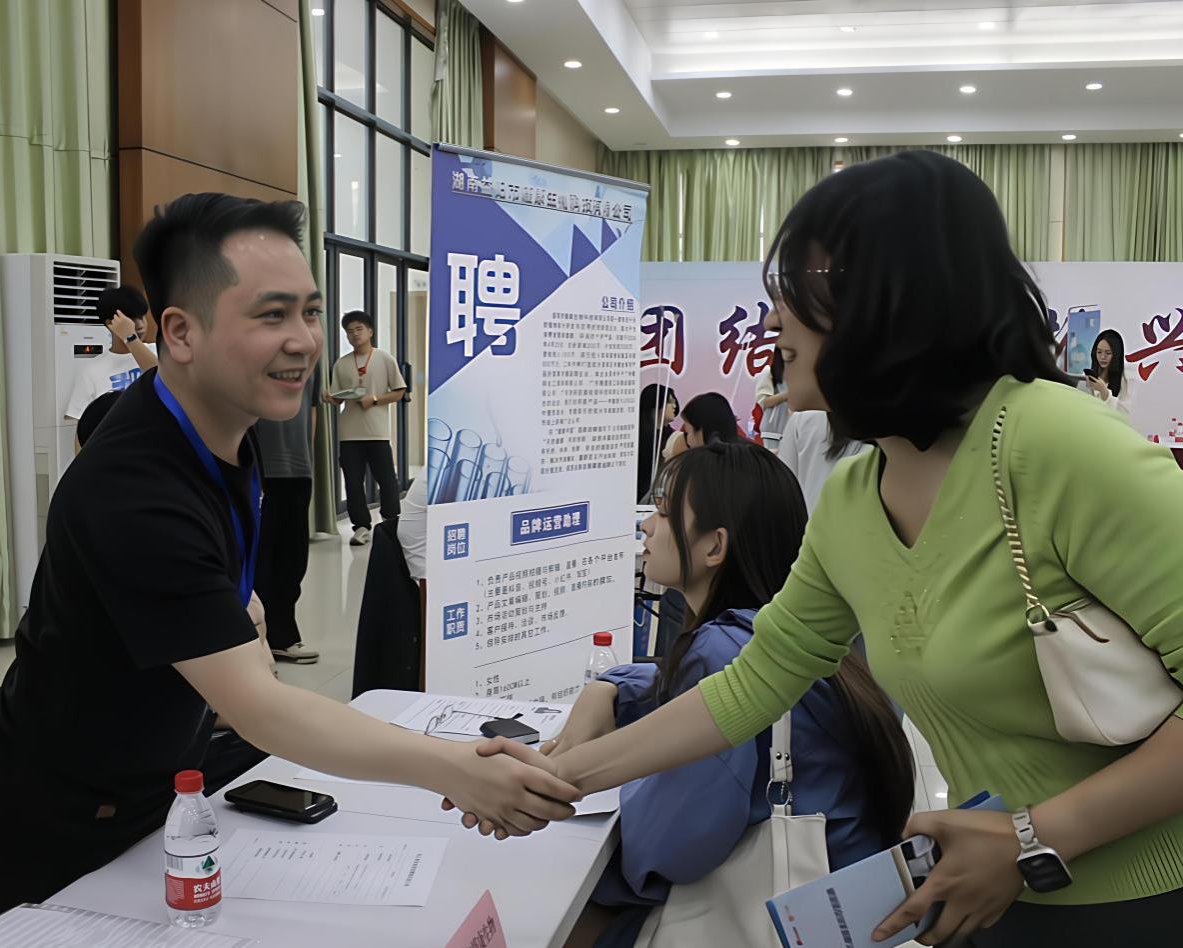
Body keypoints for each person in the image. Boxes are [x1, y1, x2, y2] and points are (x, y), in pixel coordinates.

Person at [458, 152, 1183, 946]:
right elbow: (756, 682)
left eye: (800, 290)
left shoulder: (1061, 446)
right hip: (986, 892)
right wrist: (555, 777)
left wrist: (1032, 838)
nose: (773, 322)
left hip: (1141, 898)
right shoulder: (854, 495)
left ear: (894, 296)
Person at [0, 193, 577, 919]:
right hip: (64, 807)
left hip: (164, 772)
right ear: (180, 333)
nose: (304, 340)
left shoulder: (224, 429)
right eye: (271, 315)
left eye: (310, 312)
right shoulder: (134, 487)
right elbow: (257, 707)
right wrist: (454, 770)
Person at [549, 441, 912, 947]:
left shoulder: (722, 649)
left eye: (662, 511)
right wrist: (608, 690)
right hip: (849, 909)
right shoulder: (826, 638)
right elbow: (674, 687)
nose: (646, 526)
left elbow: (668, 848)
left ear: (714, 547)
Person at [253, 365, 323, 664]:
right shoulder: (250, 354)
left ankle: (282, 637)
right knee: (261, 559)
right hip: (260, 469)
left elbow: (312, 411)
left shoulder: (310, 361)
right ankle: (257, 641)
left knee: (293, 560)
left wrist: (307, 458)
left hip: (298, 468)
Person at [326, 311, 406, 546]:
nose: (354, 334)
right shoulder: (341, 364)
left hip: (377, 432)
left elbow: (399, 391)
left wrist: (375, 399)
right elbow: (338, 397)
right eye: (349, 331)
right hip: (349, 433)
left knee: (387, 481)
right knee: (353, 483)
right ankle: (361, 527)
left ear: (370, 331)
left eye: (359, 329)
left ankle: (391, 521)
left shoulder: (384, 359)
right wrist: (330, 398)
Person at [64, 285, 159, 424]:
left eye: (141, 317)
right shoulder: (91, 371)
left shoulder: (159, 351)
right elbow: (81, 426)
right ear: (110, 323)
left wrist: (131, 339)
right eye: (131, 319)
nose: (140, 325)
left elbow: (161, 378)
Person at [777, 410, 866, 514]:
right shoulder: (876, 424)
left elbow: (785, 484)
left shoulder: (802, 418)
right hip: (861, 517)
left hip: (809, 516)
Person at [637, 383, 678, 502]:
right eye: (669, 402)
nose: (674, 406)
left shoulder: (674, 437)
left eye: (674, 402)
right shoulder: (639, 437)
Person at [1079, 329, 1134, 417]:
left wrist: (1104, 392)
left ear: (1116, 354)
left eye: (1108, 353)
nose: (1102, 357)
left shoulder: (1126, 379)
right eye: (1099, 352)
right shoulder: (1087, 376)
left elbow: (1123, 414)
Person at [754, 349, 789, 451]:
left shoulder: (798, 373)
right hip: (773, 429)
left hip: (792, 427)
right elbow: (764, 401)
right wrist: (787, 395)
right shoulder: (770, 372)